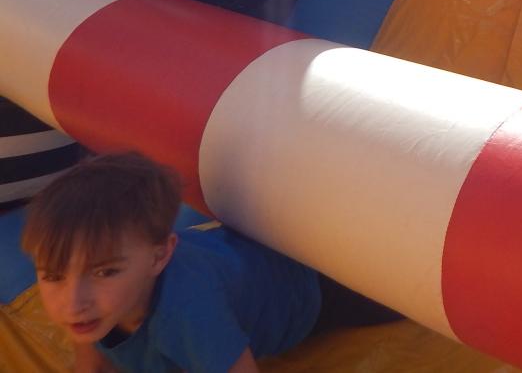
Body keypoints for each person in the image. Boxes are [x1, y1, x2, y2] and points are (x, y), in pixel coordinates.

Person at [22, 152, 321, 373]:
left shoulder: (190, 311)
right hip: (231, 255)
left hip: (308, 287)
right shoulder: (90, 306)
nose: (73, 304)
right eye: (53, 276)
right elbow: (91, 364)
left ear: (160, 256)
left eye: (105, 272)